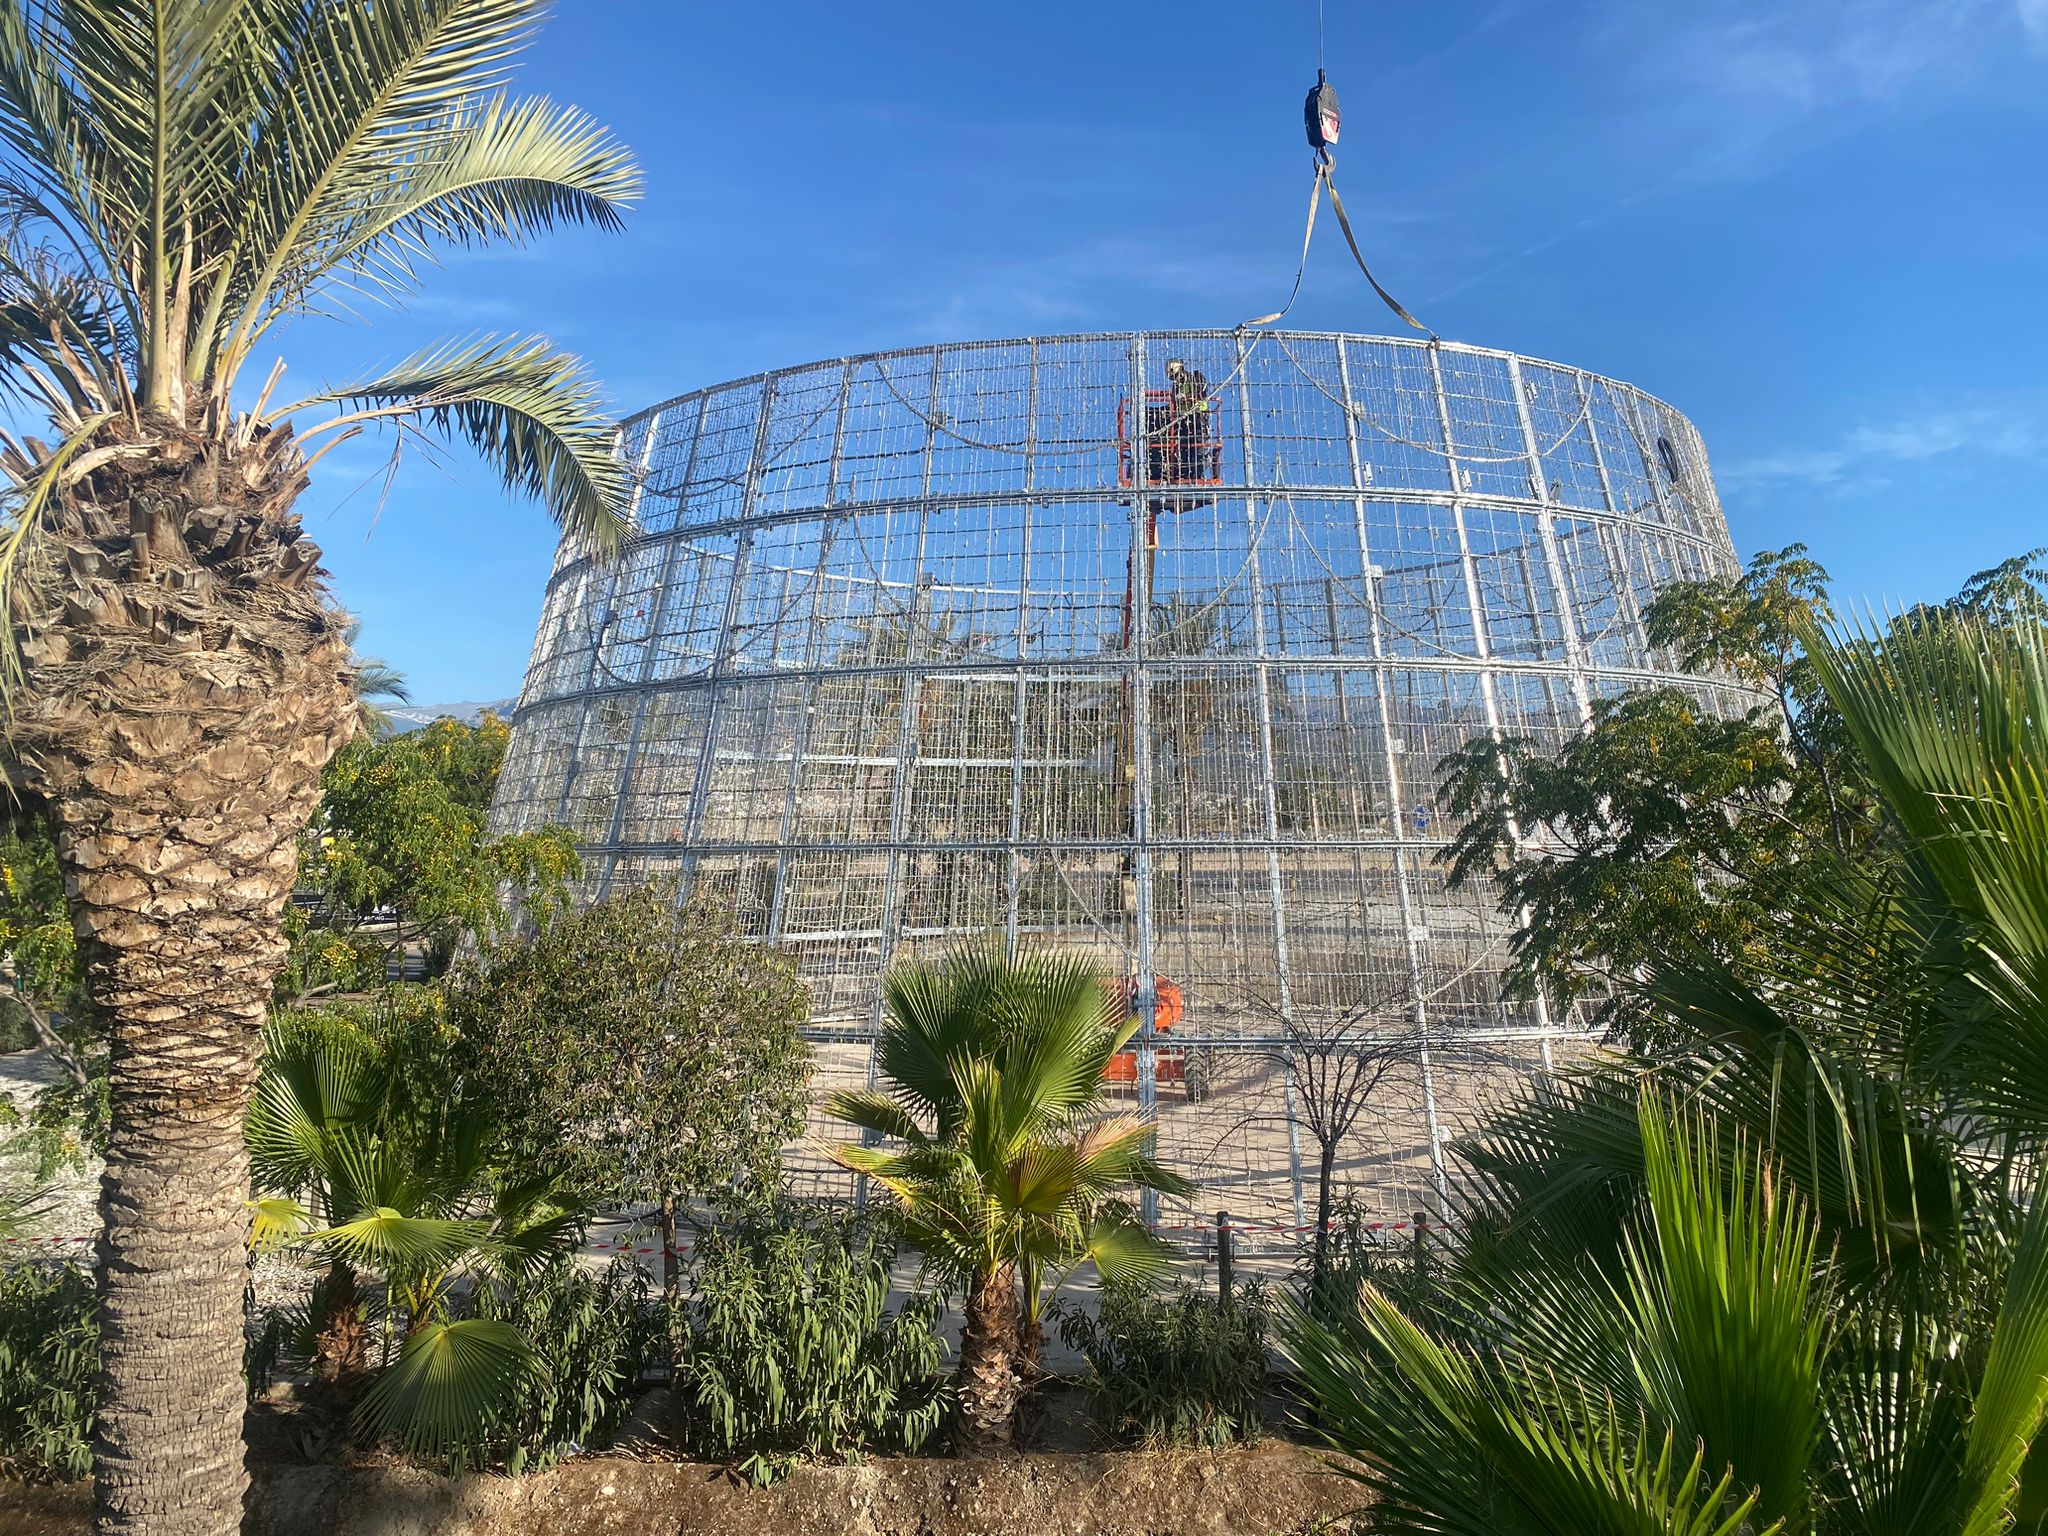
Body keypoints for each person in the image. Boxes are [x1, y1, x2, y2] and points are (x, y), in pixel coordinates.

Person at [1163, 358, 1210, 483]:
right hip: (1184, 419)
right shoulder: (1176, 386)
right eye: (1173, 378)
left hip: (1199, 417)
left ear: (1182, 369)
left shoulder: (1196, 377)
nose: (1176, 379)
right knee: (1183, 448)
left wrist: (1187, 397)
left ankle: (1197, 476)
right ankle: (1185, 475)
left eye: (1176, 375)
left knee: (1198, 447)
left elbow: (1202, 392)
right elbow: (1174, 402)